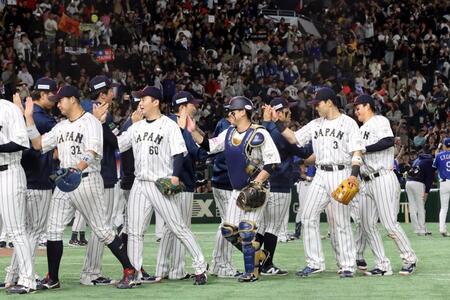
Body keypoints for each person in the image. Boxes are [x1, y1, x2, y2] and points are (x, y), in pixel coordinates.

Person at [22, 85, 137, 289]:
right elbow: (38, 144)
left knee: (102, 230)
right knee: (53, 230)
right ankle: (53, 278)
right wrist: (29, 118)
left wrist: (76, 169)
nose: (58, 104)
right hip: (65, 180)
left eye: (61, 100)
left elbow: (92, 151)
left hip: (86, 179)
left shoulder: (90, 122)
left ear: (73, 99)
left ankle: (130, 270)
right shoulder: (61, 126)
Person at [117, 86, 208, 285]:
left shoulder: (168, 125)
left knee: (178, 227)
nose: (140, 102)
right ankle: (134, 274)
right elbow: (117, 145)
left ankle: (201, 266)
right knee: (134, 230)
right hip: (139, 183)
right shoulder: (137, 126)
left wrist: (175, 176)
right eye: (140, 99)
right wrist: (126, 123)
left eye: (144, 99)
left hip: (160, 182)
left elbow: (178, 153)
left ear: (156, 102)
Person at [271, 87, 364, 278]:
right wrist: (277, 122)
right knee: (307, 216)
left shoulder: (349, 123)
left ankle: (347, 265)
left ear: (329, 102)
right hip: (321, 173)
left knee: (340, 222)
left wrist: (354, 175)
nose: (316, 107)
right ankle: (315, 262)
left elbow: (356, 151)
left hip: (342, 172)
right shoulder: (315, 124)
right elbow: (294, 138)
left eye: (318, 104)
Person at [188, 96, 281, 282]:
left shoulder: (259, 133)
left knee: (247, 230)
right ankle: (258, 255)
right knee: (228, 230)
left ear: (243, 111)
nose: (230, 113)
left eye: (233, 110)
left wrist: (256, 185)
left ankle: (251, 272)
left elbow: (272, 162)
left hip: (257, 188)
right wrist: (193, 130)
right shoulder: (229, 133)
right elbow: (209, 146)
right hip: (237, 189)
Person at [353, 94, 418, 276]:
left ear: (368, 106)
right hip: (366, 181)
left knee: (389, 223)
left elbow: (388, 141)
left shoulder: (378, 120)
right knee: (367, 225)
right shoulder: (360, 130)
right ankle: (382, 264)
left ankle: (409, 258)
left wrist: (364, 149)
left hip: (383, 177)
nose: (356, 111)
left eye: (358, 107)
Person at [4, 78, 58, 289]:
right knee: (33, 232)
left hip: (21, 178)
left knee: (23, 232)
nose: (54, 100)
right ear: (42, 95)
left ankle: (13, 275)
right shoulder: (40, 117)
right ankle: (24, 276)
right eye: (52, 96)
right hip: (38, 180)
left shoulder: (23, 113)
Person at [155, 91, 208, 280]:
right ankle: (176, 271)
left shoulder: (165, 122)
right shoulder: (182, 126)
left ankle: (161, 269)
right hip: (182, 183)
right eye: (194, 104)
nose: (197, 107)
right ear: (183, 107)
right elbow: (199, 154)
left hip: (167, 182)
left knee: (171, 227)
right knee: (181, 227)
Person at [257, 97, 312, 275]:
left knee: (262, 226)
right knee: (273, 227)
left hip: (263, 182)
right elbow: (303, 151)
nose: (290, 116)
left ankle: (254, 263)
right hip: (280, 183)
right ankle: (267, 264)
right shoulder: (282, 133)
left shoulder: (262, 128)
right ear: (278, 113)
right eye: (287, 112)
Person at [0, 97, 36, 294]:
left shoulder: (9, 109)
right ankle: (11, 278)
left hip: (9, 172)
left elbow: (22, 143)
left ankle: (28, 280)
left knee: (16, 230)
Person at [209, 104, 240, 278]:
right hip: (225, 182)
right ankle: (223, 265)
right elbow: (223, 157)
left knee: (226, 223)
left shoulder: (226, 126)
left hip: (222, 181)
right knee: (230, 224)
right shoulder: (226, 127)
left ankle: (217, 263)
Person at [405, 145, 435, 236]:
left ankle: (416, 229)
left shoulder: (417, 160)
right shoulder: (430, 161)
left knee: (413, 207)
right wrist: (426, 192)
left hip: (408, 183)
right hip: (418, 184)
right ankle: (422, 229)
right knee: (421, 207)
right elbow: (429, 178)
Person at [432, 138, 450, 237]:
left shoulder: (439, 155)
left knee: (444, 208)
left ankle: (442, 229)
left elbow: (434, 168)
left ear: (444, 145)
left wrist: (437, 151)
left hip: (444, 183)